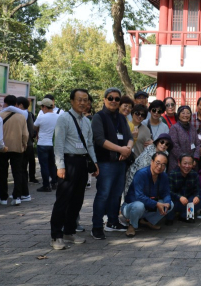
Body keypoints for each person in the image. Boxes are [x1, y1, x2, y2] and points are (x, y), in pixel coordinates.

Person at [50, 89, 99, 250]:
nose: (83, 103)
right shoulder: (64, 118)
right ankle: (56, 235)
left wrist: (95, 163)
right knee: (63, 200)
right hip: (68, 162)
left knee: (77, 200)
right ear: (72, 101)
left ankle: (69, 231)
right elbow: (58, 144)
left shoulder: (86, 121)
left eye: (85, 99)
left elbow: (90, 144)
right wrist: (60, 165)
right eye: (79, 99)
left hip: (82, 162)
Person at [91, 87, 134, 239]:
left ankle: (113, 221)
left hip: (121, 162)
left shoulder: (122, 118)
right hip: (105, 162)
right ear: (105, 99)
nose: (114, 101)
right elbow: (99, 140)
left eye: (117, 99)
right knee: (103, 194)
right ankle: (96, 226)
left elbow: (129, 136)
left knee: (116, 194)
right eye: (111, 98)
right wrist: (120, 149)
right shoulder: (99, 117)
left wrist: (127, 149)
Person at [122, 152, 173, 237]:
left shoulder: (163, 176)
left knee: (171, 204)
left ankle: (147, 221)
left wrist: (167, 203)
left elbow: (166, 193)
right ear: (151, 161)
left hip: (149, 206)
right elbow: (139, 197)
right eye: (158, 163)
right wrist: (156, 204)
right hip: (131, 207)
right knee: (139, 205)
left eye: (163, 165)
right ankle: (132, 225)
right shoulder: (141, 174)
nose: (160, 167)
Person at [0, 95, 29, 206]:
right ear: (16, 104)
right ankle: (17, 197)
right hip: (17, 148)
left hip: (2, 149)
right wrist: (24, 146)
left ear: (5, 103)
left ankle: (3, 198)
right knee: (17, 172)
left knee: (2, 173)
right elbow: (25, 134)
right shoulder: (21, 117)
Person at [34, 97, 60, 192]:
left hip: (42, 144)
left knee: (44, 165)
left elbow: (34, 127)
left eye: (41, 106)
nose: (41, 108)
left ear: (44, 107)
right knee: (53, 164)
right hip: (53, 144)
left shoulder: (41, 117)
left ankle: (46, 185)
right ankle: (54, 182)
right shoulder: (58, 117)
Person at [166, 153, 201, 225]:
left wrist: (197, 196)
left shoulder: (194, 174)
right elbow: (169, 191)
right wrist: (179, 197)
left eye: (190, 164)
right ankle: (169, 217)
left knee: (200, 200)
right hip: (175, 201)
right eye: (185, 163)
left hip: (187, 201)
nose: (187, 166)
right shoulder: (172, 174)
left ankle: (185, 216)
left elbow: (197, 189)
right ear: (179, 163)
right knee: (168, 200)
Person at [168, 105, 197, 172]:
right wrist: (184, 160)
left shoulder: (193, 128)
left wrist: (195, 158)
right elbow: (174, 146)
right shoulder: (174, 128)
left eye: (188, 113)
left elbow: (197, 144)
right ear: (178, 115)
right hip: (177, 162)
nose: (185, 115)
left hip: (191, 163)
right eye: (183, 113)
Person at [17, 97, 38, 185]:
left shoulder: (26, 115)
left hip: (26, 143)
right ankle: (31, 177)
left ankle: (26, 182)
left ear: (21, 105)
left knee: (24, 164)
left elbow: (30, 129)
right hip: (29, 142)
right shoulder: (29, 114)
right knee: (29, 161)